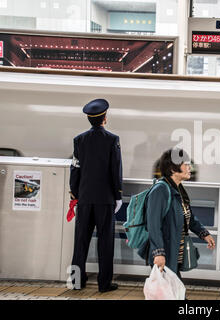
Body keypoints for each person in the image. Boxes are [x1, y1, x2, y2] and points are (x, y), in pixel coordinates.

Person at [69, 98, 123, 293]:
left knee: (80, 241)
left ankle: (76, 281)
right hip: (105, 199)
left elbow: (75, 168)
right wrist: (118, 194)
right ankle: (104, 283)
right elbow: (115, 169)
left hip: (84, 198)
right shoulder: (112, 140)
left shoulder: (79, 140)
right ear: (104, 118)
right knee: (105, 242)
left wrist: (74, 194)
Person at [138, 148, 215, 279]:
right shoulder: (160, 190)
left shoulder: (178, 189)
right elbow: (153, 225)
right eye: (186, 164)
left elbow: (188, 216)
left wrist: (203, 233)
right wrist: (158, 253)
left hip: (173, 254)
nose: (189, 167)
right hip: (165, 254)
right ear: (173, 169)